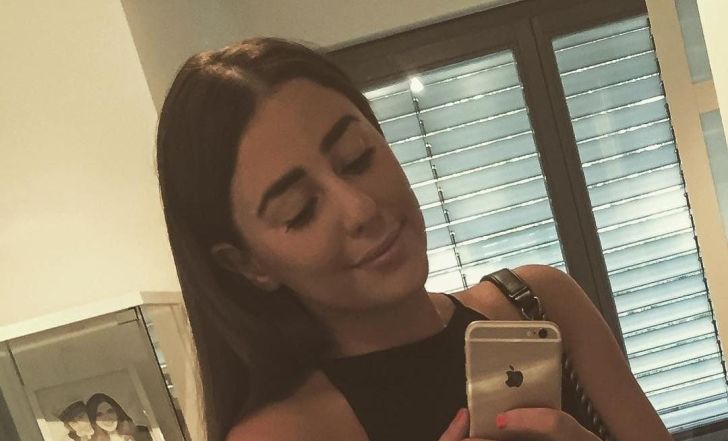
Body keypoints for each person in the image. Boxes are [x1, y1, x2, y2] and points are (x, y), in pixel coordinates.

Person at [155, 37, 673, 441]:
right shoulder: (281, 435)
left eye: (358, 157)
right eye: (301, 210)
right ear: (247, 264)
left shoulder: (538, 304)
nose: (360, 209)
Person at [85, 394, 151, 441]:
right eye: (99, 415)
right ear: (93, 420)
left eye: (110, 411)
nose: (107, 418)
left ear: (117, 411)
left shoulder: (144, 432)